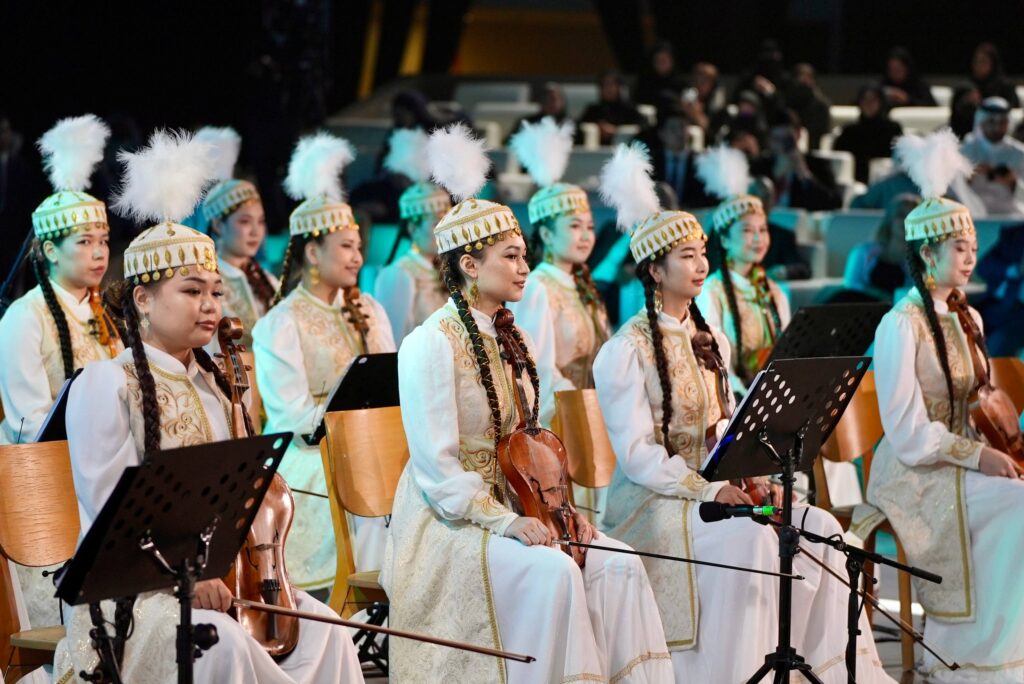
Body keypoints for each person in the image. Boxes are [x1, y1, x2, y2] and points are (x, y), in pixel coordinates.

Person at [52, 128, 362, 684]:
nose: (211, 305)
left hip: (220, 579)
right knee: (221, 645)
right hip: (133, 593)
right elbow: (110, 517)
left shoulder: (215, 381)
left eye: (216, 292)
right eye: (192, 291)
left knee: (327, 628)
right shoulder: (105, 383)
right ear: (143, 300)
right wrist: (183, 577)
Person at [381, 123, 673, 683]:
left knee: (619, 564)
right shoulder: (429, 343)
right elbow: (437, 470)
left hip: (524, 509)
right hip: (450, 522)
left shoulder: (516, 338)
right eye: (511, 256)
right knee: (554, 572)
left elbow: (531, 448)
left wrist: (560, 511)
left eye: (524, 256)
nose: (523, 267)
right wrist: (505, 521)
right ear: (469, 265)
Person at [595, 142, 893, 683]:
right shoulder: (624, 350)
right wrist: (707, 489)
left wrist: (756, 477)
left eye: (702, 253)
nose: (702, 265)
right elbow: (637, 458)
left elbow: (731, 427)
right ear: (655, 270)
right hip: (654, 503)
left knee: (819, 527)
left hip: (719, 491)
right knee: (754, 539)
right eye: (687, 256)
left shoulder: (712, 339)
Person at [856, 129, 1024, 682]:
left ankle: (1000, 645)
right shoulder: (899, 325)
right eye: (959, 248)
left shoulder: (969, 317)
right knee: (1016, 506)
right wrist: (978, 457)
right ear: (926, 253)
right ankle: (965, 650)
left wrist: (994, 449)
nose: (971, 257)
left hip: (962, 459)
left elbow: (979, 402)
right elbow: (906, 433)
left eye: (973, 247)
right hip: (913, 470)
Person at [253, 133, 396, 592]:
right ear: (313, 253)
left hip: (371, 441)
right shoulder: (280, 322)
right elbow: (289, 415)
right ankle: (366, 594)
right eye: (346, 247)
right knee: (364, 473)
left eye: (358, 246)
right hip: (309, 453)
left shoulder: (369, 309)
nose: (358, 257)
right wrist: (344, 422)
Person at [0, 114, 123, 639]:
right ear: (49, 250)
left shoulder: (107, 314)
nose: (99, 252)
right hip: (48, 479)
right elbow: (27, 422)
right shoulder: (24, 318)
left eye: (104, 240)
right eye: (84, 242)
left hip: (102, 469)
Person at [694, 146, 791, 393]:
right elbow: (715, 362)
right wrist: (746, 397)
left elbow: (788, 353)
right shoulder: (711, 292)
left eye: (763, 230)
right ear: (725, 240)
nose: (758, 238)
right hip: (733, 398)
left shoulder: (775, 291)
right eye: (747, 230)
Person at [195, 126, 277, 349]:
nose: (255, 231)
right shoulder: (205, 282)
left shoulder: (268, 280)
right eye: (245, 222)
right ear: (218, 225)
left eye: (261, 221)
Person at [373, 128, 451, 342]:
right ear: (413, 228)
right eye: (436, 223)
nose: (444, 231)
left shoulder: (449, 269)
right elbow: (394, 342)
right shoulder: (399, 274)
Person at [633, 104, 715, 209]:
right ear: (662, 133)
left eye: (682, 127)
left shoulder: (702, 163)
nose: (679, 133)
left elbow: (708, 200)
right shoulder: (650, 163)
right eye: (673, 129)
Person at [752, 117, 842, 212]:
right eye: (776, 139)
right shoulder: (761, 166)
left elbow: (835, 203)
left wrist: (805, 176)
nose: (781, 146)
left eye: (787, 140)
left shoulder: (816, 164)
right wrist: (775, 178)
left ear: (798, 134)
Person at [842, 193, 917, 302]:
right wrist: (881, 296)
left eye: (911, 217)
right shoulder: (862, 253)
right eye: (900, 215)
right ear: (890, 220)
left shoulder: (920, 262)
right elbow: (851, 286)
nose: (905, 221)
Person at [961, 96, 1024, 215]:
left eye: (1002, 122)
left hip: (1011, 216)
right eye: (991, 122)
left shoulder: (1019, 153)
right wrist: (967, 177)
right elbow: (951, 194)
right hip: (973, 217)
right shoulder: (965, 151)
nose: (997, 127)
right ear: (981, 122)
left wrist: (1013, 182)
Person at [834, 85, 904, 184]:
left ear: (881, 102)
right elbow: (838, 159)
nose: (868, 104)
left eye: (873, 100)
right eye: (865, 100)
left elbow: (900, 159)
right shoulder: (849, 131)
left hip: (886, 182)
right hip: (855, 182)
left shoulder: (893, 129)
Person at [975, 221, 1024, 356]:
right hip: (994, 305)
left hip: (1018, 314)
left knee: (996, 347)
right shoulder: (1016, 235)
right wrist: (1014, 270)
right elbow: (983, 267)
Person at [578, 70, 646, 146]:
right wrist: (598, 127)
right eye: (604, 85)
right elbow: (578, 126)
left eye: (611, 85)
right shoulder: (593, 110)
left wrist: (617, 130)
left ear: (619, 87)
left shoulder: (628, 109)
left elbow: (644, 125)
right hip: (598, 149)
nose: (608, 89)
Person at [786, 63, 831, 151]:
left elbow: (823, 132)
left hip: (813, 144)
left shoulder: (821, 105)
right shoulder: (787, 102)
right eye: (801, 78)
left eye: (808, 78)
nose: (804, 81)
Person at [680, 62, 727, 136]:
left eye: (706, 80)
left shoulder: (716, 100)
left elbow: (710, 129)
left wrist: (697, 114)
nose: (701, 84)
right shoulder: (689, 94)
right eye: (698, 80)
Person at [635, 41, 686, 107]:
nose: (660, 64)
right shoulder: (645, 82)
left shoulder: (681, 82)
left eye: (664, 60)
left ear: (672, 61)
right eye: (657, 60)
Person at [969, 42, 1019, 107]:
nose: (978, 66)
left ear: (993, 64)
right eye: (976, 61)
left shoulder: (1005, 86)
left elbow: (1015, 108)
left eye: (983, 62)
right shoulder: (968, 86)